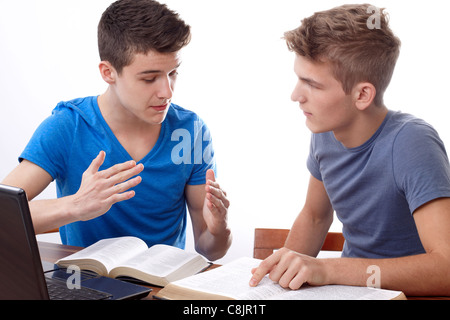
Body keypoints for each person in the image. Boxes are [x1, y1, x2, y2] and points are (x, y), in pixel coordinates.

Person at [1, 0, 231, 261]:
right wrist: (74, 206)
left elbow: (210, 249)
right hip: (84, 285)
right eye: (149, 78)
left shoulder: (191, 131)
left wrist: (219, 229)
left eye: (173, 73)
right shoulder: (69, 126)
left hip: (161, 288)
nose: (167, 92)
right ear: (108, 72)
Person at [250, 4, 450, 296]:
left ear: (362, 95)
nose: (295, 96)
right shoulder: (325, 131)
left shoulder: (412, 142)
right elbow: (315, 216)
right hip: (353, 291)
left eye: (312, 84)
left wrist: (329, 269)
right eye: (298, 78)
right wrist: (277, 278)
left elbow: (445, 268)